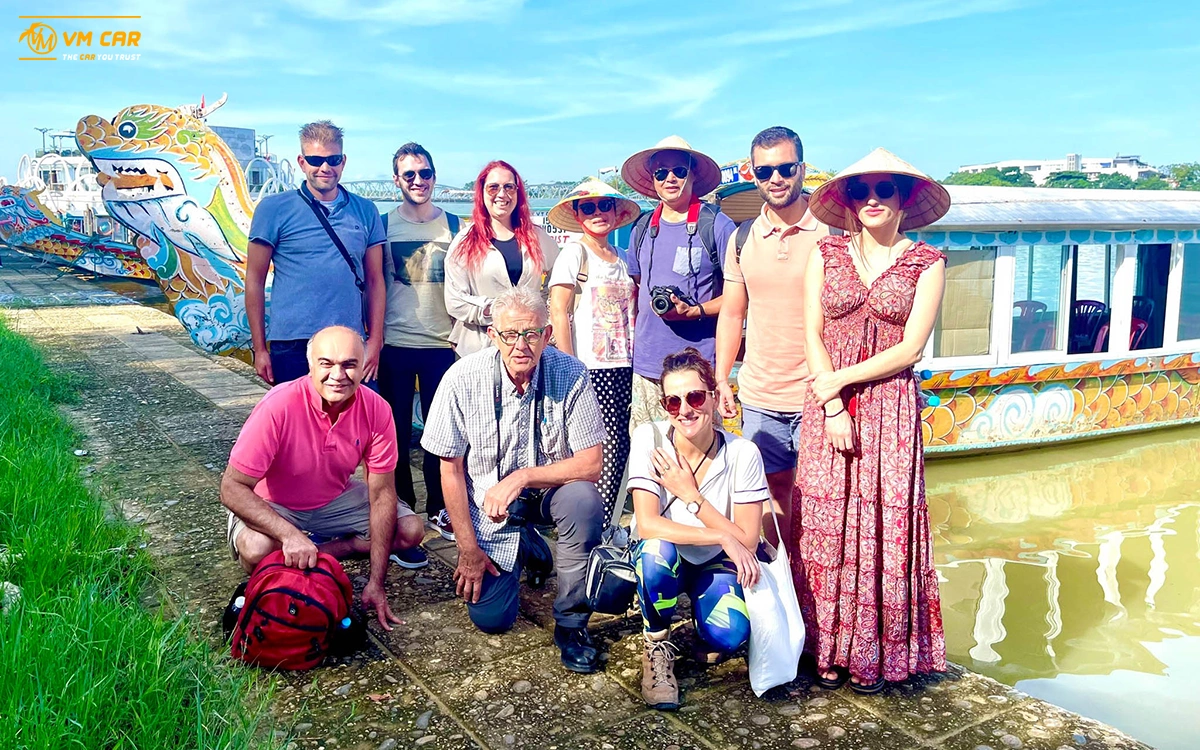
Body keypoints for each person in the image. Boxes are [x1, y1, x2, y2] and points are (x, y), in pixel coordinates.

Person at [794, 148, 951, 693]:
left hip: (889, 408)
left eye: (885, 190)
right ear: (849, 202)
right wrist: (832, 400)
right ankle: (823, 646)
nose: (873, 200)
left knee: (883, 526)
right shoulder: (826, 252)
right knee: (825, 522)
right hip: (828, 405)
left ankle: (874, 653)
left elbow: (911, 348)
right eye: (862, 192)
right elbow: (810, 331)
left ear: (904, 199)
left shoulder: (927, 263)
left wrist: (839, 381)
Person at [420, 287, 608, 673]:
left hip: (546, 493)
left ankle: (572, 624)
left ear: (548, 334)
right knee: (492, 619)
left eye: (531, 334)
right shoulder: (461, 379)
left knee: (584, 501)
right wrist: (468, 552)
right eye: (510, 334)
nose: (520, 345)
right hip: (490, 506)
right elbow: (449, 469)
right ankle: (530, 547)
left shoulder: (571, 373)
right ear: (493, 336)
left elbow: (591, 464)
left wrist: (523, 477)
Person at [220, 325, 426, 630]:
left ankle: (344, 547)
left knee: (411, 530)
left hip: (333, 497)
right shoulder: (279, 405)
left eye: (349, 364)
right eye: (326, 364)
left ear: (364, 365)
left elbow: (382, 493)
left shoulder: (377, 409)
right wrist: (289, 534)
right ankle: (307, 544)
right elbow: (231, 488)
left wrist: (376, 582)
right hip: (274, 502)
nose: (338, 375)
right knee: (256, 550)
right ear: (311, 366)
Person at [627, 348, 768, 711]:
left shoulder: (743, 453)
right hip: (667, 553)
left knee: (729, 635)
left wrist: (692, 498)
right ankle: (657, 643)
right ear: (664, 407)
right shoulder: (651, 439)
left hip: (713, 561)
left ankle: (697, 627)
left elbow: (749, 539)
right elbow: (647, 524)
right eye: (673, 402)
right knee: (657, 552)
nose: (685, 410)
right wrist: (723, 534)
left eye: (694, 397)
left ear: (714, 396)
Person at [715, 126, 829, 549]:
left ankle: (823, 589)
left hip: (822, 394)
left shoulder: (832, 233)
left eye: (784, 168)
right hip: (762, 395)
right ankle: (787, 586)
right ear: (753, 174)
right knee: (772, 496)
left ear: (801, 168)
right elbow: (732, 312)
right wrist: (722, 376)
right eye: (764, 172)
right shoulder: (742, 237)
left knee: (826, 500)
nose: (775, 179)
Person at [246, 121, 387, 385]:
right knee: (298, 424)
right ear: (301, 162)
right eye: (315, 159)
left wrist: (375, 340)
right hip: (292, 345)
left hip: (350, 341)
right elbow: (254, 280)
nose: (325, 168)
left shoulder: (366, 211)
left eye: (333, 159)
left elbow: (375, 280)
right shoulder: (273, 209)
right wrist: (260, 349)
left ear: (343, 161)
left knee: (356, 424)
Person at [622, 136, 735, 431]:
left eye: (678, 171)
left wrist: (695, 311)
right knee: (650, 457)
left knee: (700, 457)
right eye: (661, 172)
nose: (669, 178)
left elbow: (739, 298)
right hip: (647, 368)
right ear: (653, 179)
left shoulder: (717, 225)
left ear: (693, 174)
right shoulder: (643, 227)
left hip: (698, 371)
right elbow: (638, 284)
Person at [378, 142, 459, 543]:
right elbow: (372, 285)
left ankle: (441, 506)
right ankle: (403, 502)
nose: (418, 181)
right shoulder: (383, 225)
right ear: (397, 180)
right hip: (394, 342)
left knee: (440, 432)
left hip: (442, 345)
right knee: (392, 430)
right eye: (409, 174)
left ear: (434, 176)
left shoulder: (455, 226)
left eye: (424, 173)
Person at [546, 178, 640, 522]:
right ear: (578, 214)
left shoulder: (625, 258)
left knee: (622, 446)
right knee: (597, 449)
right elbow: (559, 309)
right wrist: (571, 365)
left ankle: (607, 518)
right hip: (591, 367)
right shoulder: (575, 253)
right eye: (589, 207)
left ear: (617, 213)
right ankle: (590, 518)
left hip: (625, 366)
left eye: (605, 206)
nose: (598, 213)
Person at [443, 160, 560, 356]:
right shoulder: (465, 241)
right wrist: (502, 311)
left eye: (509, 187)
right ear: (481, 193)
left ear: (518, 192)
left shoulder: (538, 238)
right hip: (478, 349)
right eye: (493, 188)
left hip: (528, 350)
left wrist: (539, 313)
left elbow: (558, 284)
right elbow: (455, 301)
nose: (502, 194)